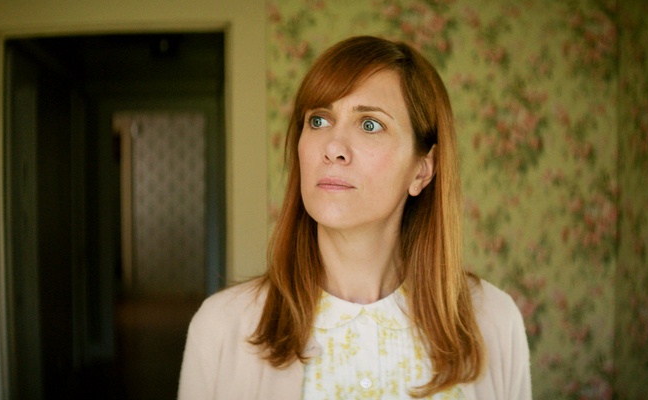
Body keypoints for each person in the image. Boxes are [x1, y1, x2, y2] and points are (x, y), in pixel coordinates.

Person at [178, 35, 531, 399]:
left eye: (369, 125)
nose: (333, 147)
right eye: (318, 120)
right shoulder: (221, 326)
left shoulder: (493, 321)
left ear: (423, 170)